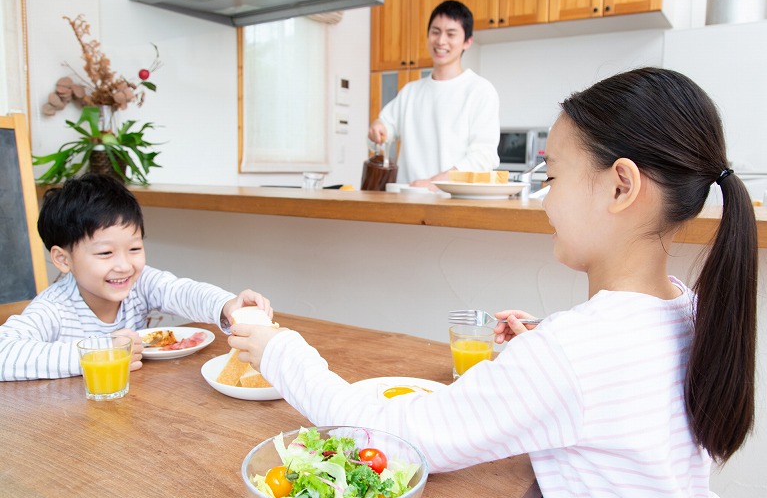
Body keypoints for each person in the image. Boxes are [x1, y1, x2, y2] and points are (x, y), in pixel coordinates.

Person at [229, 68, 757, 496]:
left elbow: (397, 439)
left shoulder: (570, 356)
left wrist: (280, 350)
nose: (544, 198)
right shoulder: (688, 309)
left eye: (550, 177)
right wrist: (542, 349)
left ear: (621, 186)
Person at [0, 173, 273, 381]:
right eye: (106, 253)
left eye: (134, 249)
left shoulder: (139, 283)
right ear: (63, 259)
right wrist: (103, 354)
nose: (124, 265)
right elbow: (4, 355)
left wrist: (227, 306)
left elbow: (181, 291)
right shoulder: (54, 308)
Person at [368, 0, 500, 188]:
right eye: (435, 32)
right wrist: (377, 129)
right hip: (409, 201)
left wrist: (433, 183)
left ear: (467, 41)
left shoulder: (480, 91)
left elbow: (483, 157)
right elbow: (381, 134)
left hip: (454, 204)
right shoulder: (410, 92)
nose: (440, 41)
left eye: (451, 34)